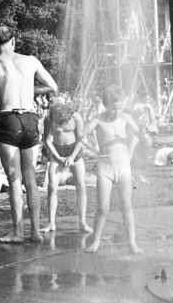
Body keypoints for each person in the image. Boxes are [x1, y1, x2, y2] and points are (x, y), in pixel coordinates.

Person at [0, 25, 58, 244]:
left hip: (9, 117)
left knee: (14, 180)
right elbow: (52, 86)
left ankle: (18, 231)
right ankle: (35, 230)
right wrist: (28, 89)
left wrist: (3, 88)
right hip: (30, 118)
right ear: (13, 41)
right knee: (30, 178)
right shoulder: (31, 60)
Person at [84, 84, 145, 255]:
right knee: (103, 207)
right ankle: (96, 241)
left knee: (126, 206)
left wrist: (142, 128)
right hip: (105, 167)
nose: (116, 112)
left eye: (120, 107)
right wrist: (87, 140)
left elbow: (141, 136)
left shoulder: (125, 118)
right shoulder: (98, 120)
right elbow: (84, 131)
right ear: (105, 105)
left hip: (123, 167)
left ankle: (132, 243)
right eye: (113, 109)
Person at [41, 99, 92, 235]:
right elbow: (47, 140)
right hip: (58, 151)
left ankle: (82, 221)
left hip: (74, 150)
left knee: (81, 185)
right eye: (59, 123)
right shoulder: (48, 119)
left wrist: (72, 157)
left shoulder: (76, 117)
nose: (61, 125)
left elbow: (81, 140)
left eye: (63, 122)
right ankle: (51, 222)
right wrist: (58, 157)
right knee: (52, 187)